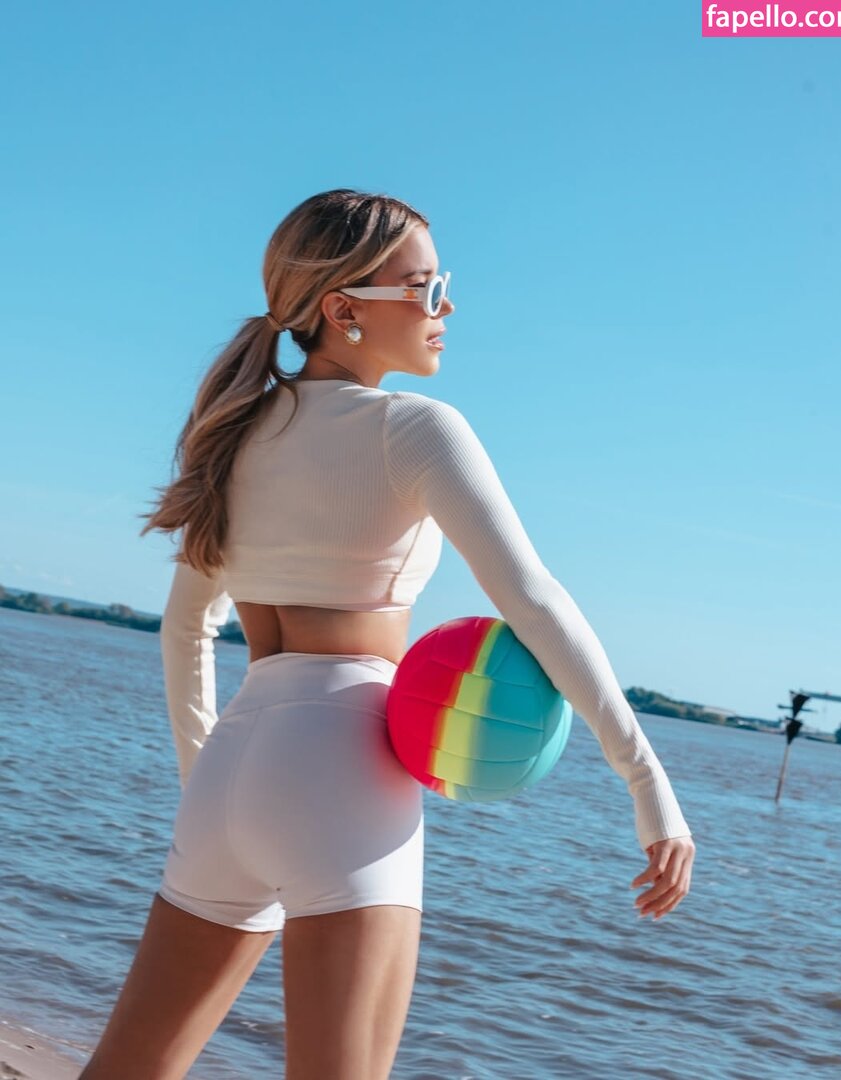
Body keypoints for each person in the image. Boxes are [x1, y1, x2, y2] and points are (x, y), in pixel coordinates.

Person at [80, 188, 696, 1080]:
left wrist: (203, 785)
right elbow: (534, 601)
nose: (446, 306)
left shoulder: (235, 433)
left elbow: (184, 632)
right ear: (344, 309)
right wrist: (646, 783)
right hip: (345, 768)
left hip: (230, 770)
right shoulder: (415, 430)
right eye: (425, 286)